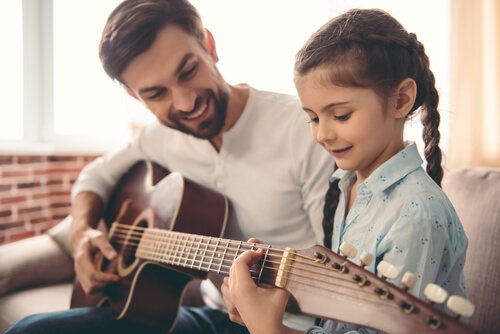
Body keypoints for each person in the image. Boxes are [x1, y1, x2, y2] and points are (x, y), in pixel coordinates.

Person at [5, 0, 333, 334]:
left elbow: (334, 282)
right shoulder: (158, 137)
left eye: (188, 70)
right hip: (211, 317)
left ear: (209, 45)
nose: (185, 102)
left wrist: (263, 302)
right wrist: (81, 234)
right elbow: (94, 176)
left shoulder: (305, 129)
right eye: (156, 93)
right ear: (136, 98)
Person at [221, 8, 468, 334]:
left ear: (401, 100)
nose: (323, 134)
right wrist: (265, 303)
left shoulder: (416, 215)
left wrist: (269, 329)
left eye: (339, 115)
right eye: (313, 118)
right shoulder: (348, 183)